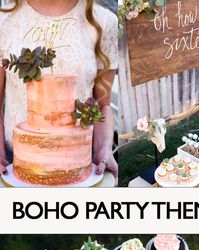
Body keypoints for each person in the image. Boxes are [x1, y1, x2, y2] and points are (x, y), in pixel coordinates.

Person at [0, 0, 118, 183]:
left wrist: (103, 149)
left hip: (79, 162)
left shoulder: (104, 21)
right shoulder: (4, 20)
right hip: (15, 160)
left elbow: (102, 106)